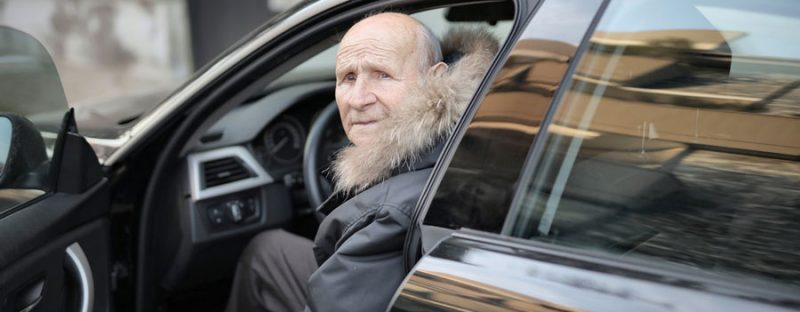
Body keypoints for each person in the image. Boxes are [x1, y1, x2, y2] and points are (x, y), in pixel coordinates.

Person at [226, 12, 498, 312]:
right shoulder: (477, 129)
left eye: (382, 75)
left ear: (435, 79)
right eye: (348, 78)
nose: (358, 99)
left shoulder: (388, 214)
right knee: (268, 252)